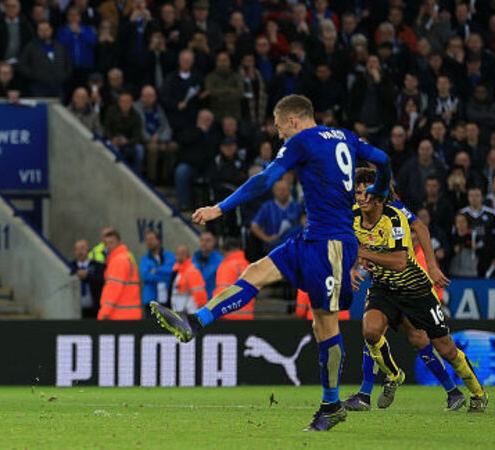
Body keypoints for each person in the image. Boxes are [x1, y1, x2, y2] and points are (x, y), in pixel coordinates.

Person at [151, 95, 392, 431]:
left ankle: (331, 405)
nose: (279, 136)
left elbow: (265, 179)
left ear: (293, 120)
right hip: (312, 238)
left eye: (280, 128)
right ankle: (194, 321)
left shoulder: (302, 140)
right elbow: (383, 158)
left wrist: (219, 208)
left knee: (325, 324)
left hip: (332, 244)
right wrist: (380, 188)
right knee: (255, 271)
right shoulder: (344, 136)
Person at [344, 169, 487, 413]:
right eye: (358, 192)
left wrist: (431, 266)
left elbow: (402, 258)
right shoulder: (352, 215)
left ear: (378, 195)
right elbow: (348, 241)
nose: (361, 197)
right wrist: (351, 266)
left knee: (445, 347)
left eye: (367, 192)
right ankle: (386, 380)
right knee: (371, 331)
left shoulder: (395, 215)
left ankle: (477, 393)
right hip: (384, 287)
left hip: (415, 290)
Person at [98, 230, 141, 320]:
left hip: (119, 315)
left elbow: (113, 290)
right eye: (106, 244)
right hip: (130, 313)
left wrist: (104, 313)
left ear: (119, 242)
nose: (108, 246)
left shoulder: (118, 261)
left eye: (111, 242)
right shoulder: (125, 257)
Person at [250, 179, 302, 253]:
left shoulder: (296, 206)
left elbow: (304, 224)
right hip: (274, 248)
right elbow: (254, 226)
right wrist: (267, 238)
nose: (281, 192)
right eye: (278, 190)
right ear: (273, 191)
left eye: (284, 189)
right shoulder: (267, 207)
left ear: (289, 191)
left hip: (294, 247)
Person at [103, 92, 145, 174]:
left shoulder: (136, 116)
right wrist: (112, 139)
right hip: (114, 142)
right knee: (114, 150)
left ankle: (136, 175)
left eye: (127, 102)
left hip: (129, 144)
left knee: (140, 149)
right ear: (119, 103)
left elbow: (137, 136)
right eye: (122, 102)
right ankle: (115, 173)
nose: (125, 104)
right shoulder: (111, 112)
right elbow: (106, 129)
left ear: (132, 103)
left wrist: (128, 142)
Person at [214, 237, 253, 320]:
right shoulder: (247, 265)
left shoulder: (227, 265)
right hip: (247, 315)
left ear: (224, 251)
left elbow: (222, 291)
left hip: (229, 317)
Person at [139, 230, 174, 311]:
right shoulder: (144, 260)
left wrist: (157, 270)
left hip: (168, 302)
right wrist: (165, 277)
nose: (149, 242)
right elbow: (146, 277)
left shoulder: (170, 256)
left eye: (151, 239)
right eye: (147, 240)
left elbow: (172, 271)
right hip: (151, 302)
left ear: (158, 241)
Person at [70, 239, 104, 319]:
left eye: (82, 248)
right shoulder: (70, 266)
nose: (80, 252)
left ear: (87, 249)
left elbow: (101, 281)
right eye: (77, 249)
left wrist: (87, 276)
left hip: (94, 310)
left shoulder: (97, 266)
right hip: (75, 311)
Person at [169, 245, 207, 314]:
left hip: (189, 311)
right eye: (177, 254)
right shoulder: (177, 271)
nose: (177, 257)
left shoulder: (192, 271)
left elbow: (199, 293)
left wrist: (201, 309)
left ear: (185, 255)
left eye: (180, 254)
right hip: (179, 311)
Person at [192, 231, 222, 298]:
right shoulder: (194, 259)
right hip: (195, 300)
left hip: (212, 300)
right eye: (202, 240)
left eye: (208, 240)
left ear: (214, 242)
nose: (204, 243)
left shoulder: (220, 261)